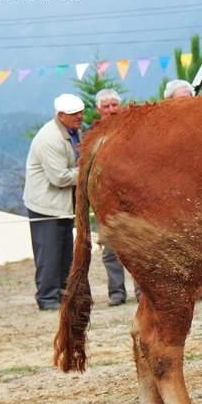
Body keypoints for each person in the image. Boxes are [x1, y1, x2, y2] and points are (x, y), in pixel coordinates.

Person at [23, 94, 83, 310]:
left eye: (80, 111)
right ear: (60, 116)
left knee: (65, 253)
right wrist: (86, 172)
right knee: (49, 254)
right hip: (46, 205)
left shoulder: (73, 132)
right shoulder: (51, 137)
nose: (79, 116)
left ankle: (62, 296)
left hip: (63, 205)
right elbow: (58, 177)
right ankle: (47, 299)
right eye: (73, 113)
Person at [162, 80, 202, 300]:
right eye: (180, 100)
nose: (186, 105)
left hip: (199, 194)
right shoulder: (162, 129)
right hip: (174, 195)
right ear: (169, 102)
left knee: (201, 242)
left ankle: (200, 286)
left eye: (188, 99)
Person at [93, 89, 133, 306]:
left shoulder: (132, 129)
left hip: (133, 196)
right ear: (98, 110)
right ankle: (116, 292)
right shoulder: (93, 135)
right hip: (106, 199)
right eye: (106, 107)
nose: (111, 110)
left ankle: (142, 291)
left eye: (114, 105)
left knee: (139, 247)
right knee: (110, 250)